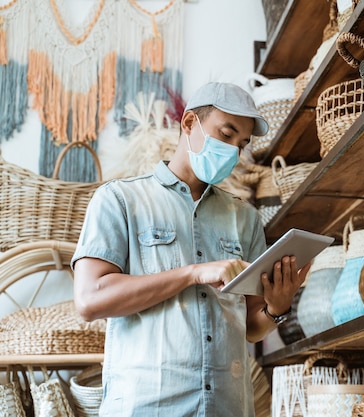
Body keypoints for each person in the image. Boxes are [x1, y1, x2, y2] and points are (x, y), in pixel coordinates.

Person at [72, 82, 310, 417]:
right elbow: (90, 300)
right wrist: (193, 273)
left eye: (241, 144)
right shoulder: (120, 200)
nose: (232, 151)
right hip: (146, 408)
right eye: (225, 134)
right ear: (188, 124)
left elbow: (252, 327)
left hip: (226, 408)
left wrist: (276, 307)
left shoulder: (245, 218)